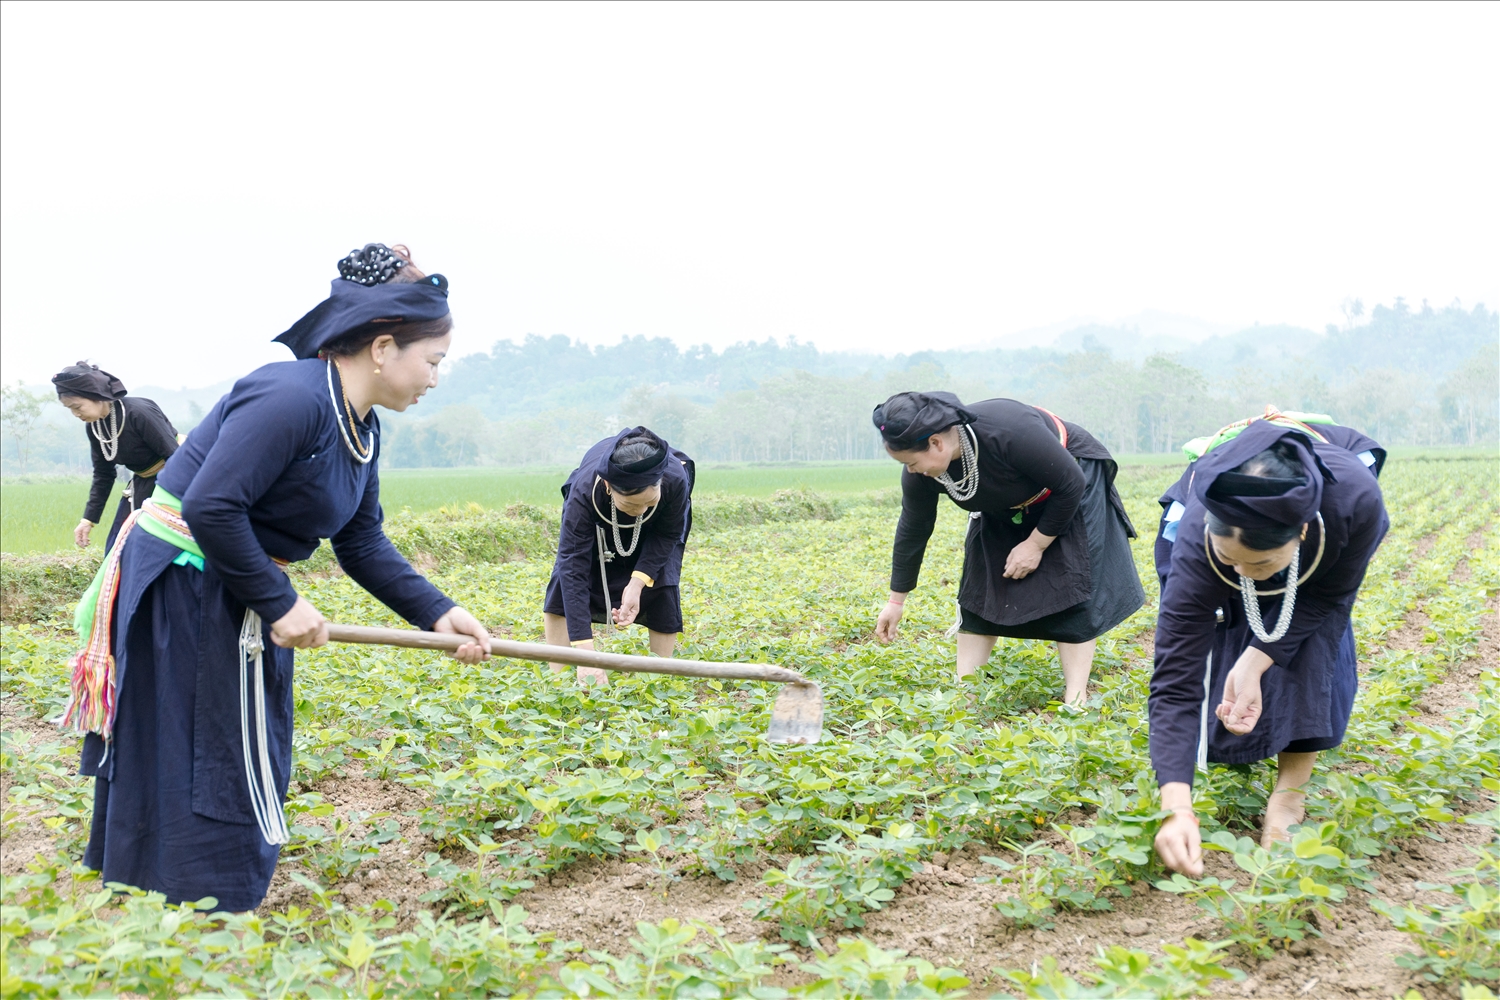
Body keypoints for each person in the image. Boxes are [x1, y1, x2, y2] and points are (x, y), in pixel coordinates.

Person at [64, 243, 493, 912]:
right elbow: (212, 505)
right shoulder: (291, 396)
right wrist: (279, 601)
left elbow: (361, 540)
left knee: (236, 742)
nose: (435, 379)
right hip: (186, 583)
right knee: (211, 749)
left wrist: (438, 611)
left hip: (233, 584)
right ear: (384, 348)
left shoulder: (361, 427)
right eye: (433, 361)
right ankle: (200, 903)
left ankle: (188, 899)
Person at [1149, 410, 1388, 875]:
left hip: (1325, 530)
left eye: (1258, 564)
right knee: (1221, 627)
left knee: (1311, 643)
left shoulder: (1355, 501)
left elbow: (1327, 598)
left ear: (1302, 532)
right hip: (1207, 538)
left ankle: (1289, 797)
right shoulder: (1198, 544)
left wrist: (1258, 659)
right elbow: (1176, 677)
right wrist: (1176, 806)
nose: (1242, 574)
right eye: (1229, 560)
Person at [872, 391, 1144, 705]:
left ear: (936, 443)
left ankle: (1076, 697)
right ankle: (965, 695)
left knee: (1071, 580)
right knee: (981, 587)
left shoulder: (1008, 432)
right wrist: (896, 601)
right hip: (1004, 500)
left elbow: (1071, 484)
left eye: (911, 462)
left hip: (1069, 482)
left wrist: (1036, 544)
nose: (910, 470)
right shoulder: (923, 474)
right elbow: (914, 527)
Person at [543, 427, 694, 684]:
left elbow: (667, 535)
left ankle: (658, 680)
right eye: (631, 504)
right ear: (608, 486)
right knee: (562, 584)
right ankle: (559, 680)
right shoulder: (584, 493)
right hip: (598, 523)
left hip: (657, 530)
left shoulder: (674, 478)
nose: (640, 511)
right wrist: (587, 656)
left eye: (649, 502)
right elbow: (573, 566)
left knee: (662, 583)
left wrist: (636, 584)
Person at [52, 363, 180, 551]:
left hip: (175, 479)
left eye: (77, 407)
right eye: (69, 409)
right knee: (118, 544)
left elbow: (175, 457)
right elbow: (104, 474)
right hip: (142, 484)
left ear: (95, 395)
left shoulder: (138, 412)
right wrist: (88, 520)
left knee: (158, 544)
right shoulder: (95, 427)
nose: (75, 414)